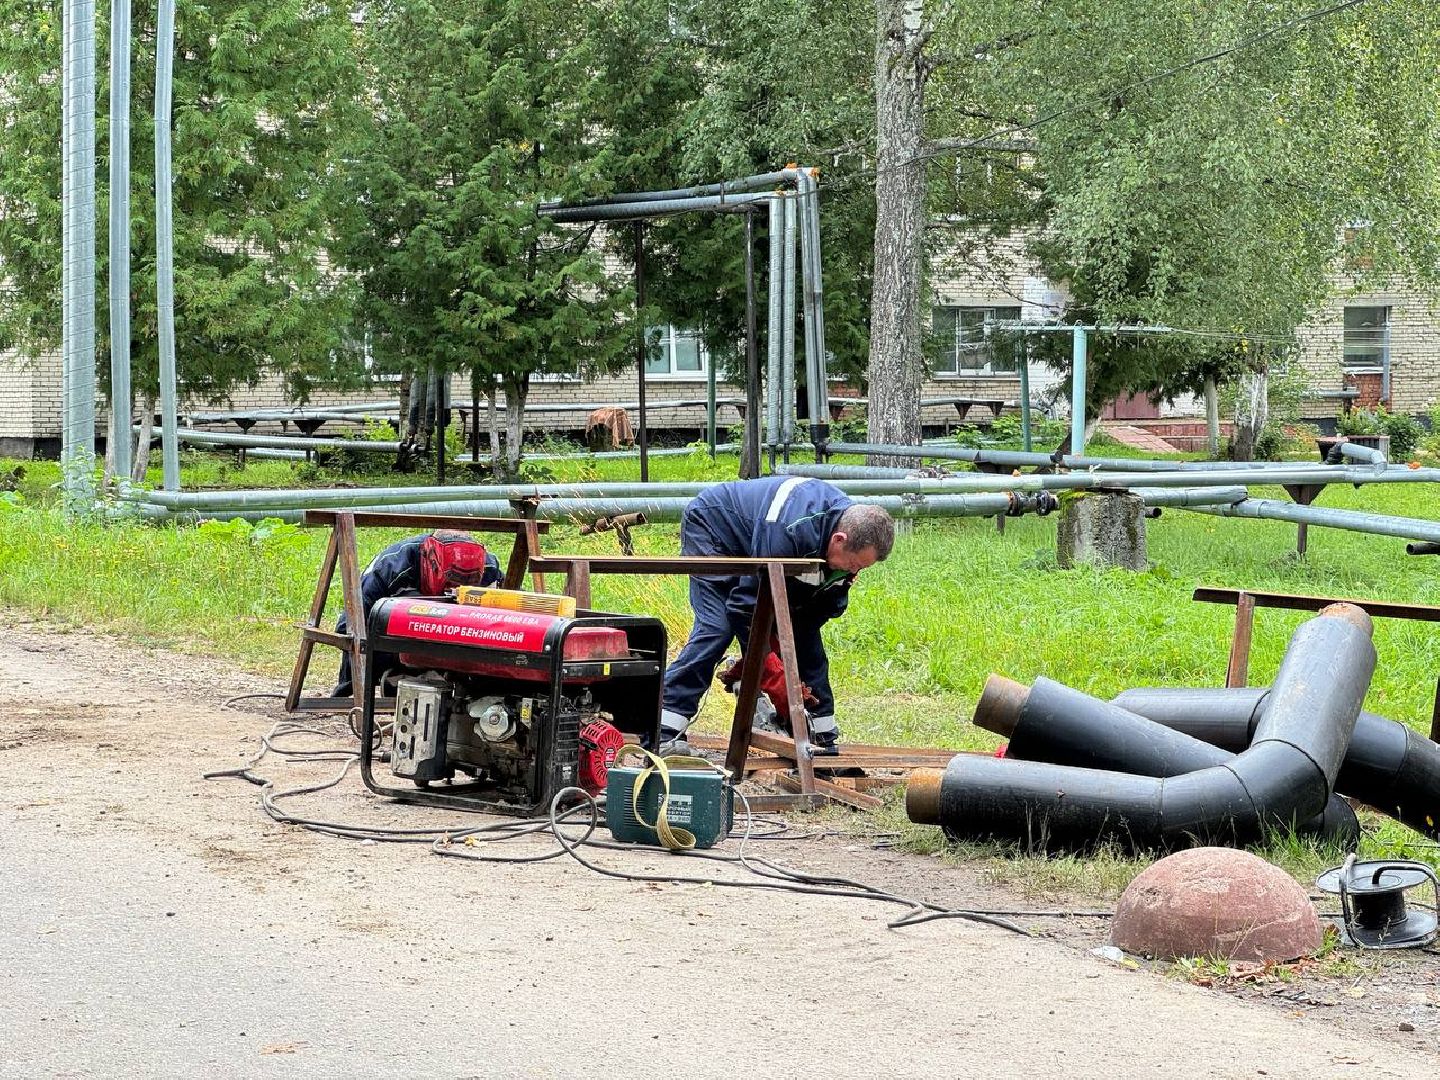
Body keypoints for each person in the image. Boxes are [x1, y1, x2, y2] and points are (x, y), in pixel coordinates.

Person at [660, 476, 895, 755]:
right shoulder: (790, 531)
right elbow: (744, 607)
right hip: (715, 528)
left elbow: (815, 613)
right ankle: (665, 727)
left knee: (805, 637)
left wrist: (782, 659)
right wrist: (770, 669)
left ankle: (821, 739)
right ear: (839, 539)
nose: (854, 573)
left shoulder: (846, 536)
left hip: (760, 540)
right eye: (854, 565)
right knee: (717, 628)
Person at [331, 530, 503, 698]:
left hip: (455, 646)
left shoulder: (491, 569)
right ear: (430, 561)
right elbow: (348, 627)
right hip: (397, 646)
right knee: (360, 639)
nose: (456, 591)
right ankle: (387, 680)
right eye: (452, 581)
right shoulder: (392, 565)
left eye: (468, 583)